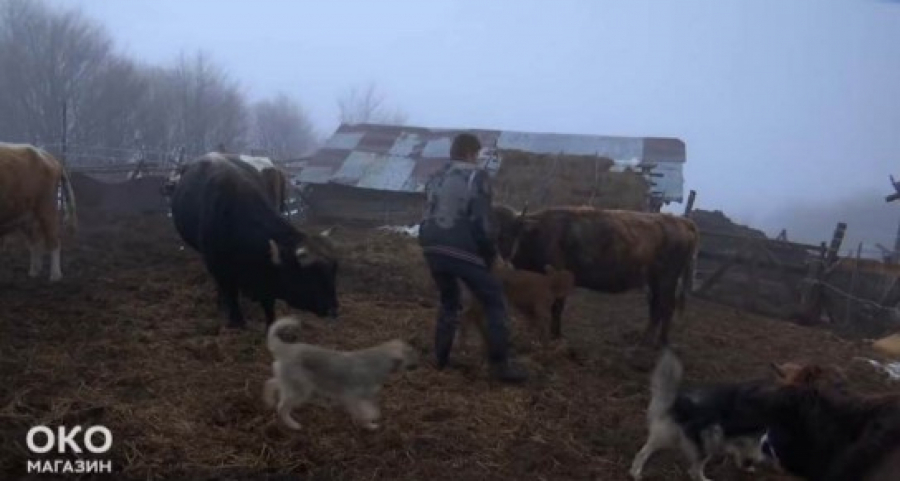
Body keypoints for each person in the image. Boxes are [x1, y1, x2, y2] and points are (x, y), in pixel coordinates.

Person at [417, 133, 527, 383]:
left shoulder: (435, 176)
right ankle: (501, 367)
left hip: (431, 246)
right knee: (495, 300)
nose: (477, 159)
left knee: (449, 301)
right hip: (461, 248)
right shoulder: (477, 177)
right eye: (477, 155)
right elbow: (482, 222)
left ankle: (441, 359)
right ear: (469, 153)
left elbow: (430, 210)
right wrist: (491, 257)